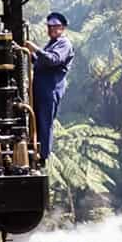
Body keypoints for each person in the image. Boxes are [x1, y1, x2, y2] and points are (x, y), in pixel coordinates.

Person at [24, 12, 74, 158]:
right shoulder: (51, 44)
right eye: (50, 27)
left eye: (55, 27)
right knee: (36, 121)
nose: (52, 29)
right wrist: (28, 52)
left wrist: (35, 49)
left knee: (45, 122)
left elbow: (53, 60)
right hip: (40, 89)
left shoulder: (64, 44)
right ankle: (35, 148)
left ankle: (43, 154)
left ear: (62, 28)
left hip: (50, 89)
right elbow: (40, 62)